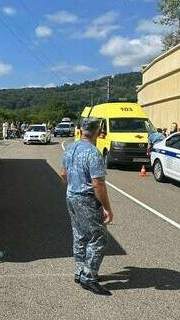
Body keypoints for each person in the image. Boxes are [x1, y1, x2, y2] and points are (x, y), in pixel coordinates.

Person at [61, 118, 114, 296]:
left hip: (71, 195)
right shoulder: (93, 153)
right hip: (86, 199)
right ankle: (89, 276)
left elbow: (63, 174)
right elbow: (98, 183)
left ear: (81, 130)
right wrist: (107, 207)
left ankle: (79, 271)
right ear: (98, 132)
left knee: (79, 234)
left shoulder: (70, 148)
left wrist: (73, 187)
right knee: (98, 238)